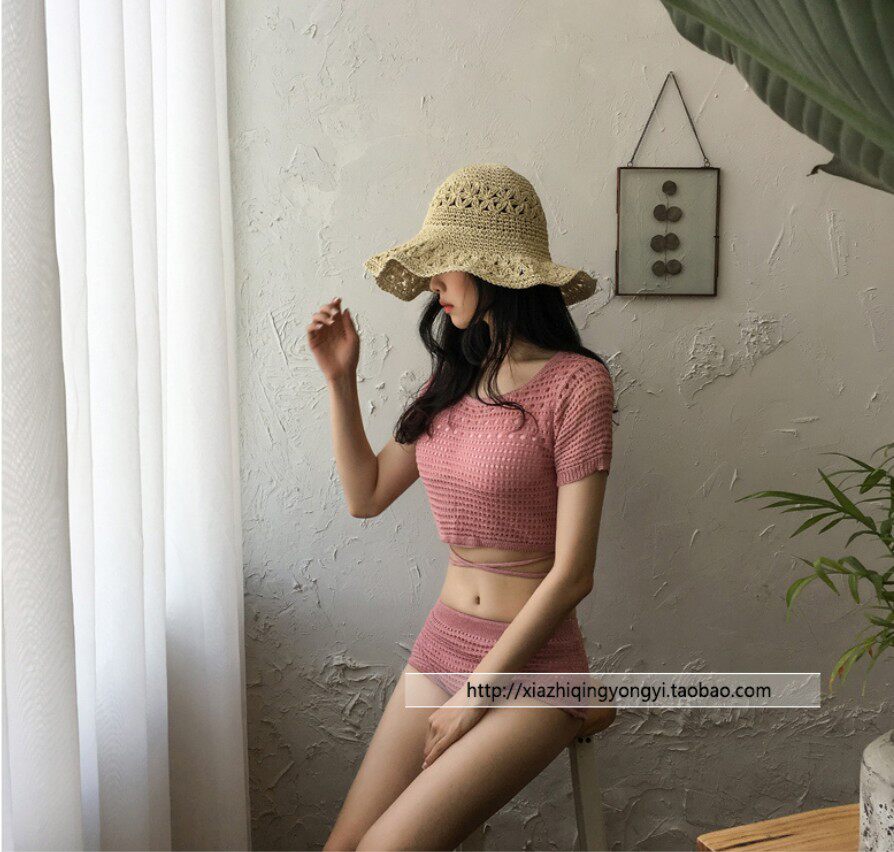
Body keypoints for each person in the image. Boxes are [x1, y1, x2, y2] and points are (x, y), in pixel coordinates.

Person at [310, 164, 617, 851]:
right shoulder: (452, 381)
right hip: (443, 644)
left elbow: (573, 575)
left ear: (492, 268)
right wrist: (341, 380)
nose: (432, 284)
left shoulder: (577, 384)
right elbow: (366, 495)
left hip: (534, 667)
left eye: (444, 264)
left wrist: (476, 696)